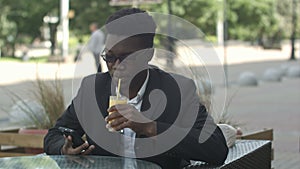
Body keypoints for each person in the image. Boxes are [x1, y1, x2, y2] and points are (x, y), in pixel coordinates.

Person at [44, 8, 228, 169]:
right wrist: (64, 148)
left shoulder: (177, 90)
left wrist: (150, 127)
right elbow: (55, 134)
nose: (116, 66)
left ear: (148, 55)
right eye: (109, 57)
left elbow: (217, 147)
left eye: (126, 58)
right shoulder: (92, 88)